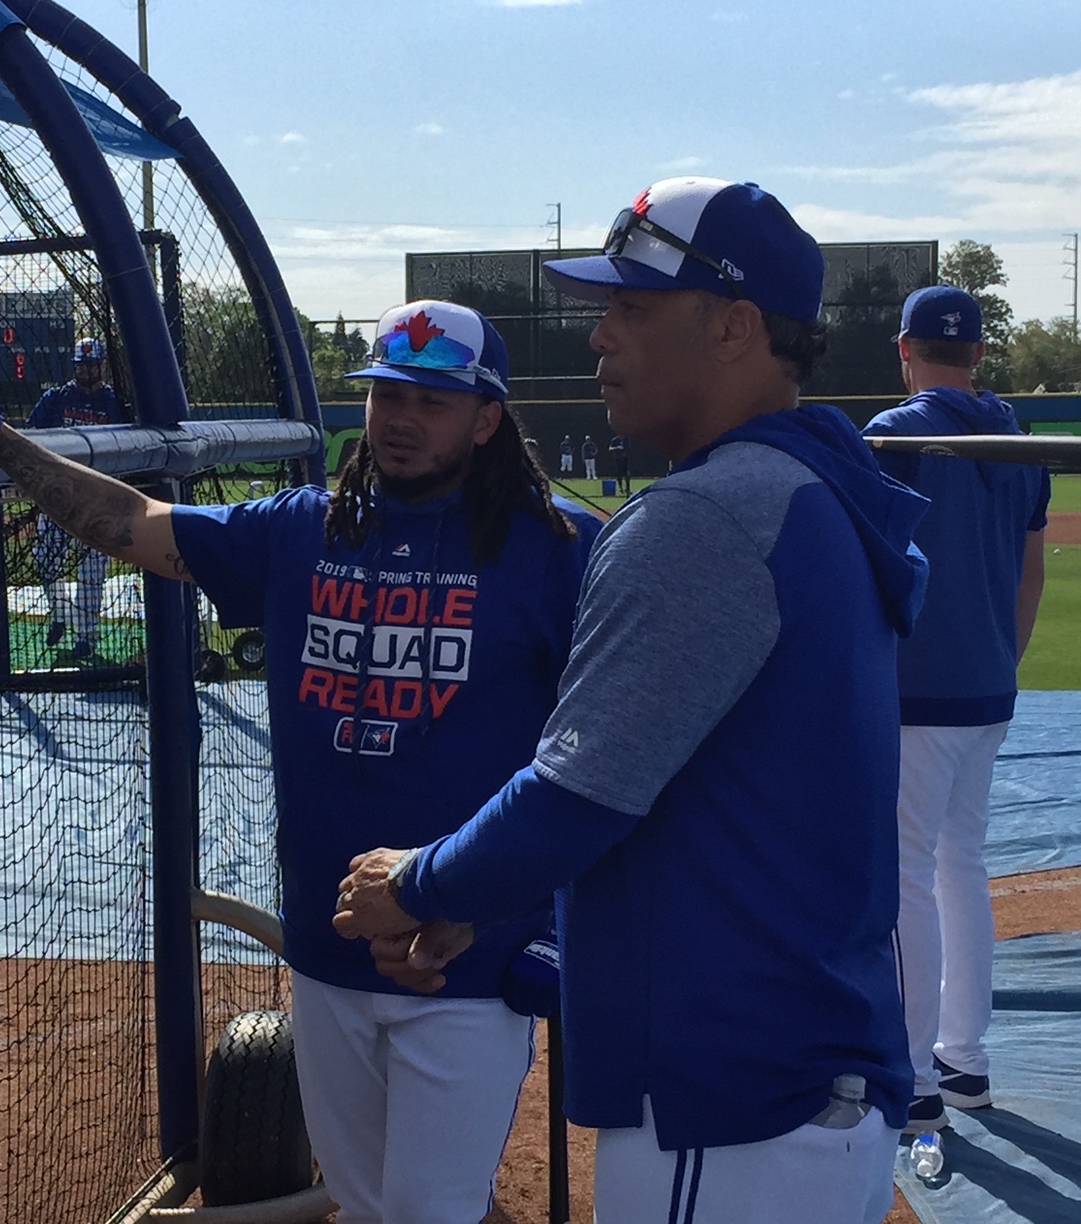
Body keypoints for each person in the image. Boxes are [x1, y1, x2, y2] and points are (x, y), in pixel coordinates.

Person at [0, 299, 601, 1224]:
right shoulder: (304, 528)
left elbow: (602, 759)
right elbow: (131, 523)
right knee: (363, 1205)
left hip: (461, 957)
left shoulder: (559, 549)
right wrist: (2, 441)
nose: (399, 418)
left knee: (432, 1212)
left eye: (432, 401)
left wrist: (535, 920)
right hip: (327, 944)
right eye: (387, 392)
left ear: (486, 420)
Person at [334, 178, 929, 1224]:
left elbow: (579, 798)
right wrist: (485, 907)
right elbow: (675, 797)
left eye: (633, 310)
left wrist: (420, 883)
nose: (601, 337)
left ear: (737, 327)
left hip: (732, 1099)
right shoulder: (807, 489)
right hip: (797, 1080)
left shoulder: (705, 515)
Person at [862, 285, 1049, 1135]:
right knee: (958, 868)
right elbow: (1030, 572)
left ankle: (912, 1079)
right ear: (978, 353)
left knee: (905, 875)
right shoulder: (1017, 437)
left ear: (905, 349)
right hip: (987, 689)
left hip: (914, 693)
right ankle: (964, 1063)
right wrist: (1001, 666)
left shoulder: (896, 435)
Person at [27, 336, 130, 658]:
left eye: (91, 365)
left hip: (98, 500)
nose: (86, 370)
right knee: (46, 561)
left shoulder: (114, 403)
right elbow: (30, 435)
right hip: (57, 497)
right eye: (81, 365)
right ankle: (61, 615)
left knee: (91, 574)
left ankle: (85, 638)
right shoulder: (56, 399)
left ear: (102, 366)